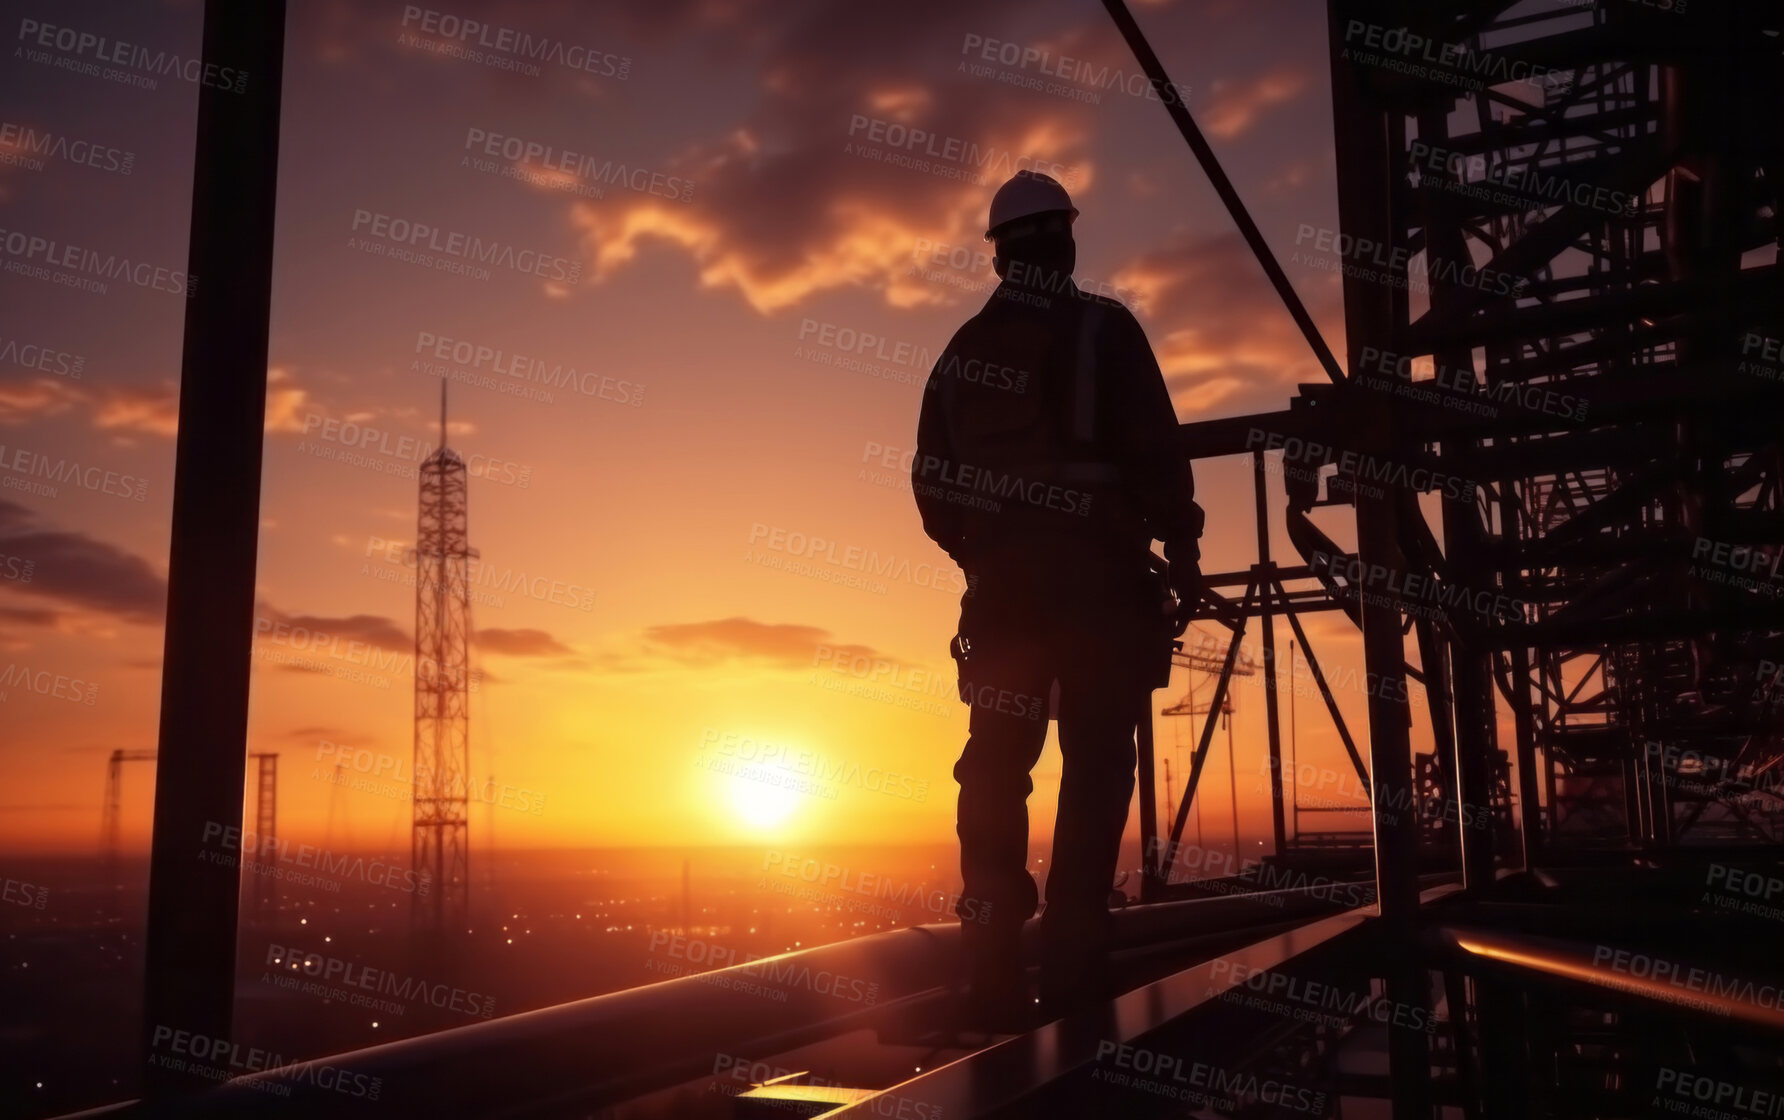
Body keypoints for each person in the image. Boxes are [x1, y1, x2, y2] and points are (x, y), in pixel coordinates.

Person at [912, 169, 1205, 1026]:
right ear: (1066, 240)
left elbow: (932, 489)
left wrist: (989, 554)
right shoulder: (1105, 332)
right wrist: (1178, 543)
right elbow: (1156, 448)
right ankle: (1075, 957)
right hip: (1100, 592)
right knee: (1097, 759)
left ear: (999, 253)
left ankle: (991, 963)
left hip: (1005, 601)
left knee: (997, 768)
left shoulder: (960, 354)